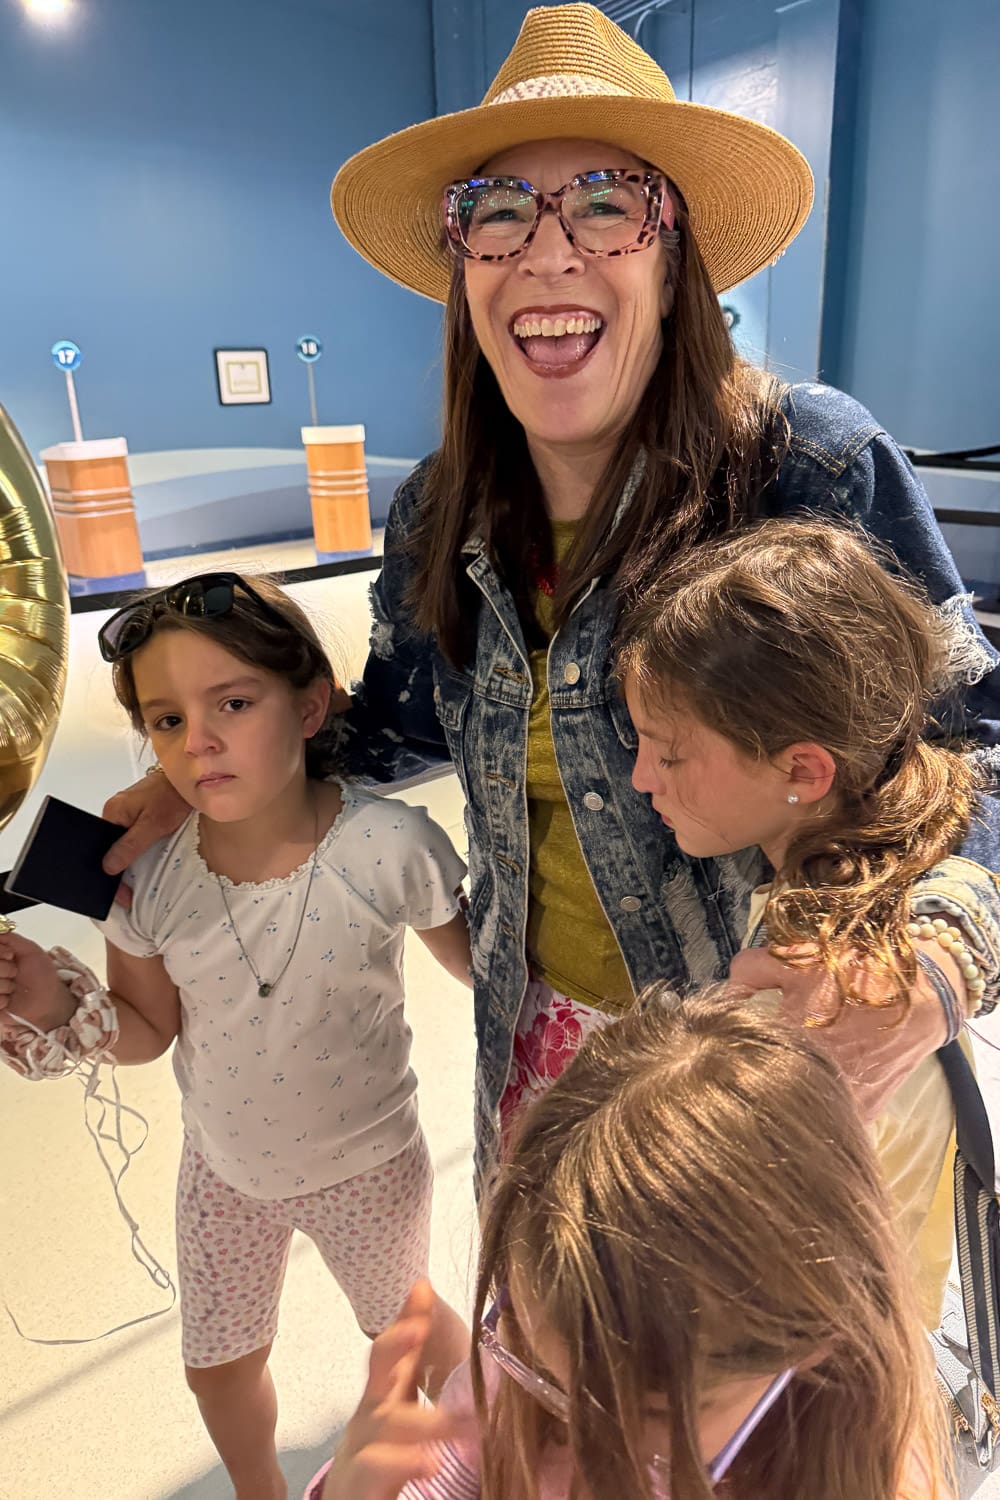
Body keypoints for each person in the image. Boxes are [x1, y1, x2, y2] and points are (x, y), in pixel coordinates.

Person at [98, 4, 1000, 1177]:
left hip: (770, 1059)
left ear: (674, 263)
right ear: (466, 272)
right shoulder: (440, 508)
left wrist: (935, 963)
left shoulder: (806, 464)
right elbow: (394, 730)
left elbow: (973, 743)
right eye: (499, 212)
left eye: (607, 205)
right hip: (540, 1046)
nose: (548, 250)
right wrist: (201, 772)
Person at [0, 572, 471, 1500]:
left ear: (309, 705)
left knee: (408, 1333)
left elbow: (483, 977)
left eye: (233, 702)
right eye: (166, 720)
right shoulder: (147, 883)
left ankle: (497, 1447)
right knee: (216, 1364)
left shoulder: (388, 849)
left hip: (366, 1161)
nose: (199, 741)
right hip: (223, 1171)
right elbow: (144, 1032)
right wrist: (58, 1007)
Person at [308, 990, 955, 1500]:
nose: (579, 1430)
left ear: (811, 1341)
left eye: (645, 1413)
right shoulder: (527, 1364)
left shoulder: (875, 1475)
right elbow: (448, 1473)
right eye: (537, 1360)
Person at [613, 517, 1000, 1322]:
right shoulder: (879, 876)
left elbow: (759, 1290)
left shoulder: (813, 1006)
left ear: (802, 769)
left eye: (668, 752)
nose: (642, 777)